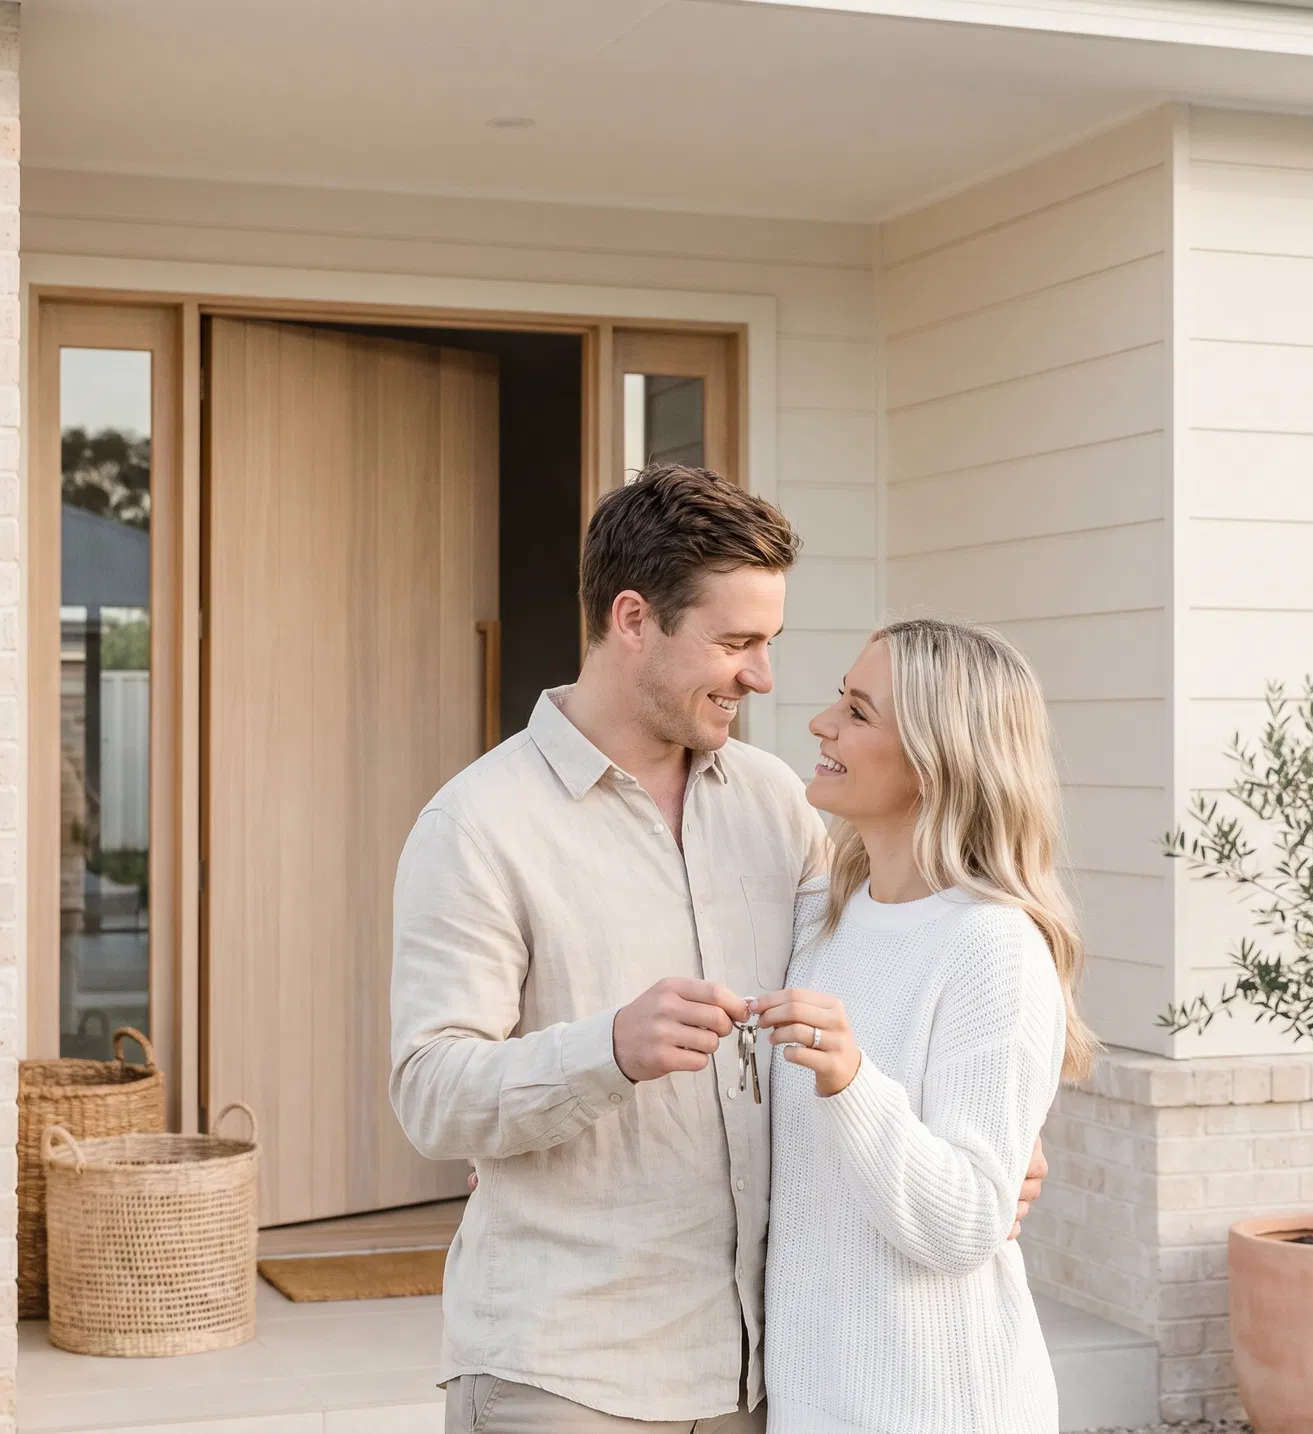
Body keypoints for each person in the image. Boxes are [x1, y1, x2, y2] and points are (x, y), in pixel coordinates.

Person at [389, 466, 1046, 1434]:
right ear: (633, 619)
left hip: (760, 1376)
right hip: (566, 1375)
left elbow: (893, 967)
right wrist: (607, 1050)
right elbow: (430, 1093)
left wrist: (990, 1139)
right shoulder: (479, 826)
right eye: (736, 643)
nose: (762, 676)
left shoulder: (780, 805)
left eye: (768, 643)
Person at [756, 620, 1095, 1434]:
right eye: (839, 699)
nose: (822, 724)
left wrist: (852, 1082)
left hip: (940, 1408)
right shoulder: (819, 922)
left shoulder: (993, 946)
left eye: (858, 712)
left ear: (935, 760)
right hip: (811, 1405)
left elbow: (967, 1224)